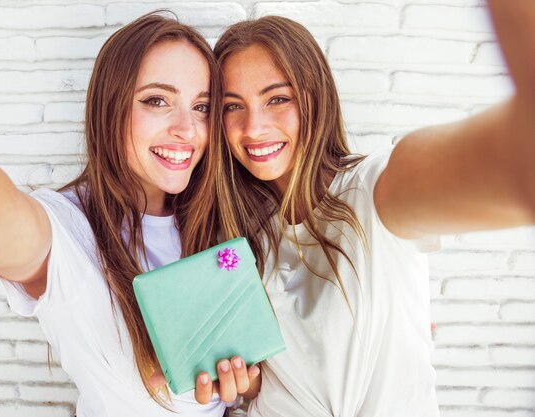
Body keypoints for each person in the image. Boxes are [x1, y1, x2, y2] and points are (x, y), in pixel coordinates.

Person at [0, 13, 258, 416]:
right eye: (157, 100)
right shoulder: (69, 228)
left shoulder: (220, 220)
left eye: (202, 107)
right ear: (110, 107)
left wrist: (246, 383)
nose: (188, 128)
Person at [201, 1, 535, 415]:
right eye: (234, 106)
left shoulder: (376, 187)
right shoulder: (236, 237)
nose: (253, 128)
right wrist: (248, 387)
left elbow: (520, 165)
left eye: (277, 99)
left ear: (315, 97)